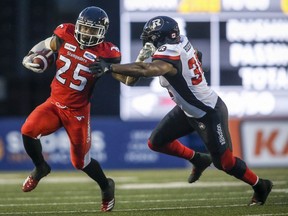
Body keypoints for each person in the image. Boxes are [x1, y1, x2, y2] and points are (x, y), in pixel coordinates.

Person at [90, 16, 273, 206]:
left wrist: (110, 67)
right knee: (156, 142)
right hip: (187, 109)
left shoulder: (170, 53)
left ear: (161, 37)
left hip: (208, 112)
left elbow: (146, 69)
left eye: (151, 37)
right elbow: (197, 55)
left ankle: (261, 185)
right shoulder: (181, 41)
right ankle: (199, 159)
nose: (148, 41)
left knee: (225, 164)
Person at [21, 6, 120, 212]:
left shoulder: (108, 52)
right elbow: (47, 44)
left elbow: (125, 76)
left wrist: (108, 68)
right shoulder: (65, 33)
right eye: (84, 28)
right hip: (54, 104)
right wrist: (31, 55)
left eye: (93, 31)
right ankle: (41, 167)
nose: (86, 33)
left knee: (80, 162)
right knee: (28, 130)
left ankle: (106, 186)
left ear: (102, 32)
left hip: (77, 112)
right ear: (77, 25)